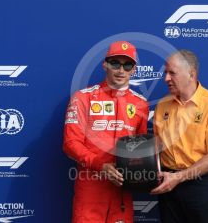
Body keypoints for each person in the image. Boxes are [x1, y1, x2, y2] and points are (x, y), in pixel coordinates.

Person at [63, 41, 149, 223]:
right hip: (91, 188)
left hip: (122, 190)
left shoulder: (140, 103)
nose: (121, 70)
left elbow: (140, 150)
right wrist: (101, 166)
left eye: (127, 65)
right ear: (105, 64)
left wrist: (139, 174)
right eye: (115, 63)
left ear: (134, 69)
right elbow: (71, 144)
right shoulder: (83, 97)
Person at [151, 50, 208, 223]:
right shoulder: (163, 105)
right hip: (168, 184)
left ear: (191, 74)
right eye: (165, 73)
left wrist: (178, 178)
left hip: (200, 186)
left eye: (172, 73)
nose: (166, 78)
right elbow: (157, 147)